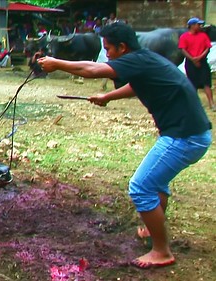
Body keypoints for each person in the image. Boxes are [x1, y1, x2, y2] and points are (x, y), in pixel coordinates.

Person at [38, 22, 212, 269]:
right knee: (156, 183)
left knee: (140, 187)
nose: (106, 54)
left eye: (109, 49)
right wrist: (107, 96)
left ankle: (162, 251)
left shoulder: (135, 60)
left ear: (122, 47)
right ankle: (154, 232)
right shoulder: (145, 60)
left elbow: (91, 69)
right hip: (192, 132)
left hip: (185, 136)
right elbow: (137, 86)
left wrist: (57, 63)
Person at [179, 17, 216, 111]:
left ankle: (212, 103)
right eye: (198, 24)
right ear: (192, 26)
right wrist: (193, 59)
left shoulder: (203, 36)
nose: (200, 26)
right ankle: (194, 104)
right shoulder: (184, 37)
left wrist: (199, 58)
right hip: (190, 63)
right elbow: (183, 49)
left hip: (202, 61)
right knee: (192, 84)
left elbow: (207, 48)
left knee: (206, 83)